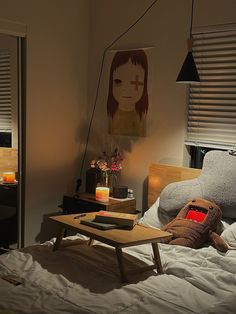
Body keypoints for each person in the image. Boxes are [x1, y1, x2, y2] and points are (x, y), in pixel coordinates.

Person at [107, 49, 149, 136]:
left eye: (134, 82)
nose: (126, 89)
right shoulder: (110, 116)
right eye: (118, 81)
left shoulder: (142, 117)